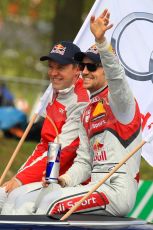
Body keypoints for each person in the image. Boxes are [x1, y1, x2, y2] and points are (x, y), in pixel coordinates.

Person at [1, 9, 142, 216]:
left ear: (106, 70)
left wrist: (101, 41)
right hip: (94, 187)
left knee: (49, 204)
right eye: (83, 66)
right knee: (19, 199)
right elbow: (84, 162)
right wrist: (64, 180)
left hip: (116, 192)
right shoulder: (88, 112)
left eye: (92, 67)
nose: (85, 71)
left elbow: (117, 78)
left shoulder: (121, 103)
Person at [0, 41, 89, 213]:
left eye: (60, 67)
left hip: (74, 182)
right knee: (9, 197)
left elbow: (62, 151)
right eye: (51, 66)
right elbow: (44, 145)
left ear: (77, 69)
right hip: (50, 176)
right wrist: (17, 179)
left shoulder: (80, 101)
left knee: (19, 205)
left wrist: (19, 181)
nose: (53, 73)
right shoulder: (56, 92)